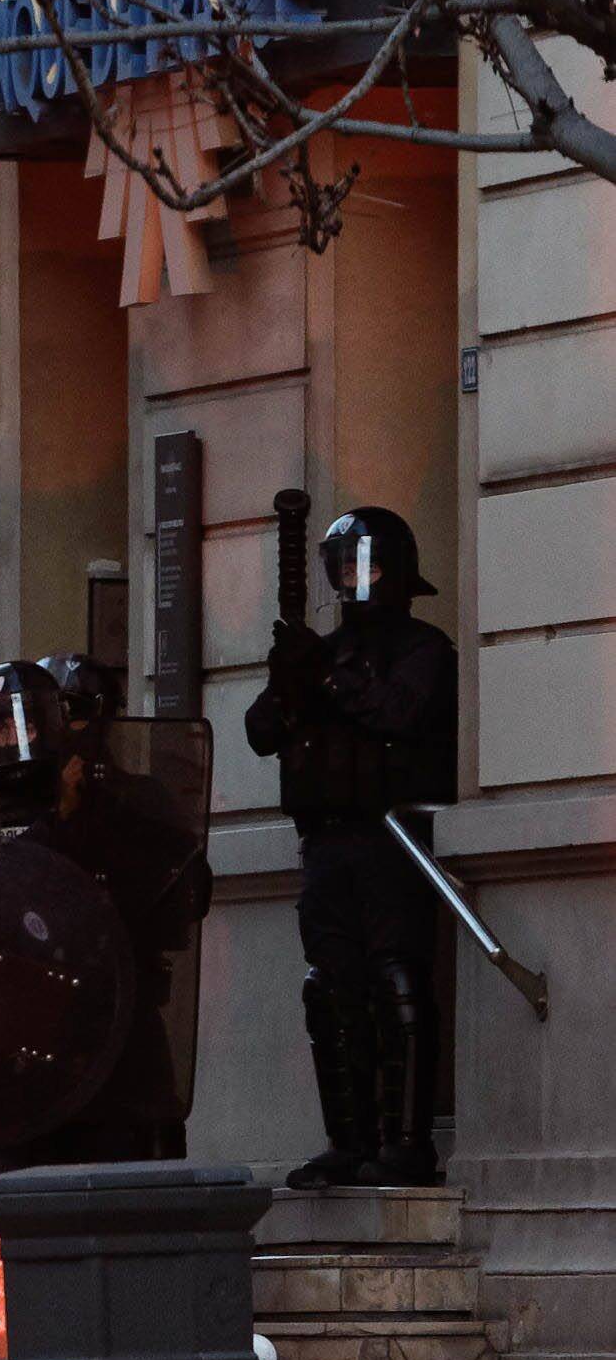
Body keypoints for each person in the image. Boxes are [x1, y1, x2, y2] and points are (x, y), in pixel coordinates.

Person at [244, 508, 459, 1187]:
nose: (352, 578)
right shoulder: (322, 652)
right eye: (343, 565)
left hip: (390, 837)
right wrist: (289, 678)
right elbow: (259, 731)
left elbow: (402, 712)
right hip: (325, 840)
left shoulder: (423, 646)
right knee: (329, 988)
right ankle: (348, 1140)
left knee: (396, 979)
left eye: (364, 564)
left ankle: (405, 1143)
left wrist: (331, 680)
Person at [0, 656, 212, 1165]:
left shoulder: (131, 800)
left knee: (143, 1143)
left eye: (35, 722)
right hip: (31, 1023)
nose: (16, 739)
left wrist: (104, 814)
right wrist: (57, 818)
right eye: (1, 728)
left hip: (123, 1006)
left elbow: (189, 888)